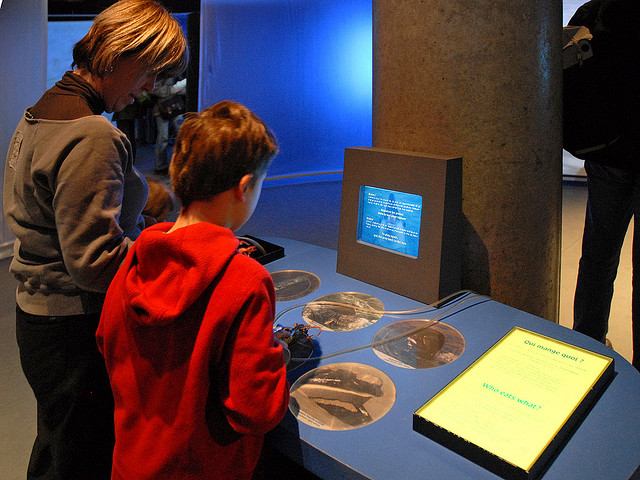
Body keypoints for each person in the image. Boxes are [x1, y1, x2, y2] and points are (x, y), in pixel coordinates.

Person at [2, 1, 188, 478]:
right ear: (121, 53)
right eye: (150, 72)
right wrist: (177, 251)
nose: (150, 88)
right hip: (74, 328)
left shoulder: (43, 110)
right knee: (80, 457)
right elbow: (95, 263)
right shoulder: (93, 134)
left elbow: (58, 207)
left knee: (57, 446)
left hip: (38, 318)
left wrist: (140, 202)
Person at [96, 100, 290, 480]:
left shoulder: (134, 260)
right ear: (245, 187)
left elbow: (108, 343)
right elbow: (256, 410)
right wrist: (277, 356)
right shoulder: (246, 280)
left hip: (133, 463)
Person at [570, 0, 640, 370]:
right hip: (615, 156)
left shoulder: (591, 13)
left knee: (597, 257)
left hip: (608, 156)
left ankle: (587, 342)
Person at [152, 75, 187, 174]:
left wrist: (174, 89)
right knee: (163, 138)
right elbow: (158, 91)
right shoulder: (159, 73)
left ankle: (178, 164)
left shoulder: (176, 71)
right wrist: (178, 87)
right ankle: (160, 166)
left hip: (174, 107)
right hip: (163, 109)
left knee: (180, 136)